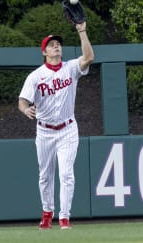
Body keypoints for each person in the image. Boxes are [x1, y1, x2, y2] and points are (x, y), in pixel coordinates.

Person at [18, 21, 94, 229]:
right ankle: (47, 212)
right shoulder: (35, 76)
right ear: (44, 52)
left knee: (66, 174)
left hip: (68, 129)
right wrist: (25, 109)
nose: (56, 46)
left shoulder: (70, 68)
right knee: (45, 175)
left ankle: (64, 218)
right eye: (51, 45)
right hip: (44, 131)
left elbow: (88, 57)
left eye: (58, 44)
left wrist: (82, 31)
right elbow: (22, 100)